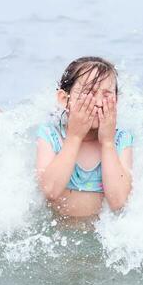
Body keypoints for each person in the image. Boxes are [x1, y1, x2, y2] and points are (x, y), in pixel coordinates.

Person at [35, 56, 133, 218]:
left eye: (107, 95)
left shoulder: (120, 139)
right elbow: (50, 191)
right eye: (89, 93)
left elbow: (118, 202)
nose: (99, 102)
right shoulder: (51, 135)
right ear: (64, 99)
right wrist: (74, 137)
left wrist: (107, 143)